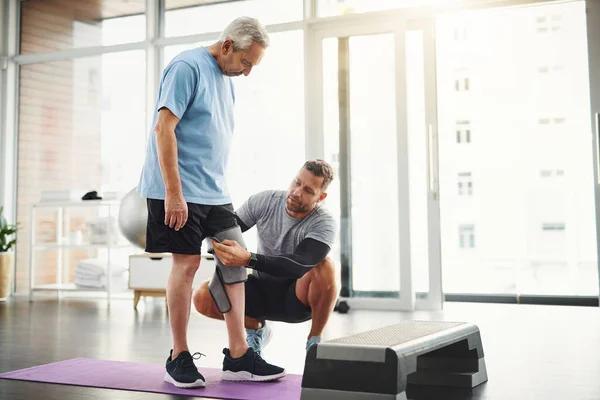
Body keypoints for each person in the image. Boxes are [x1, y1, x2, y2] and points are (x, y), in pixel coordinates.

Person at [137, 16, 285, 389]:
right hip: (177, 189)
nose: (248, 72)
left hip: (215, 191)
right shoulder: (187, 66)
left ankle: (238, 355)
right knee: (185, 265)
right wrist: (174, 193)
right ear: (228, 46)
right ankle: (178, 355)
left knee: (236, 261)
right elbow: (163, 128)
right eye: (247, 63)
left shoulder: (227, 78)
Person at [192, 160, 339, 355]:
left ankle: (314, 342)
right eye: (297, 182)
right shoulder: (265, 201)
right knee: (202, 297)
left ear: (321, 197)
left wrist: (247, 259)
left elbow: (300, 265)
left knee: (326, 266)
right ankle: (256, 327)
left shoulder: (324, 222)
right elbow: (221, 233)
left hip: (295, 298)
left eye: (308, 191)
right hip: (259, 290)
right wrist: (215, 244)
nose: (296, 192)